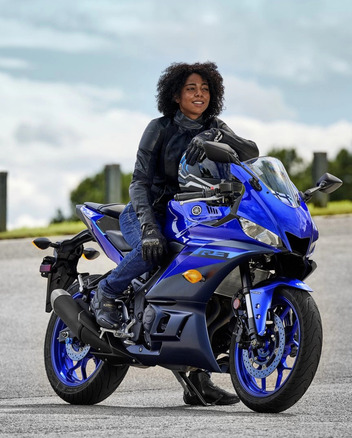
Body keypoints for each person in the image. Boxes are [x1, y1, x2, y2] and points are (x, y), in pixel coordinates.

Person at [91, 61, 259, 406]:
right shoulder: (160, 128)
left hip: (192, 214)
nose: (199, 95)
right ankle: (107, 292)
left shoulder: (215, 127)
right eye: (191, 89)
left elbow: (251, 152)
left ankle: (197, 379)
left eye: (205, 89)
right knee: (155, 250)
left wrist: (217, 136)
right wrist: (149, 228)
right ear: (176, 94)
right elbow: (139, 182)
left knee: (212, 287)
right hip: (147, 211)